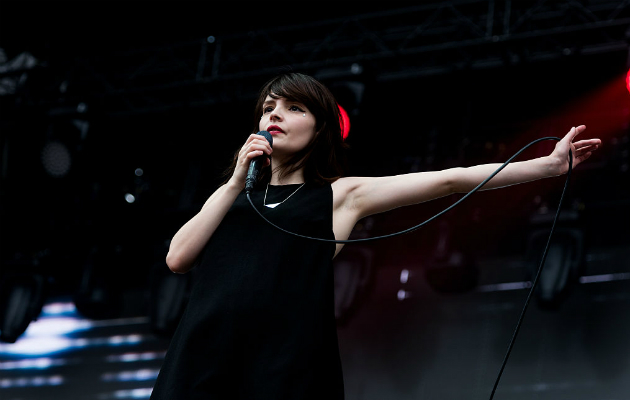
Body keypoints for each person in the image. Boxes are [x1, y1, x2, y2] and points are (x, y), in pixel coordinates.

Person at [150, 72, 601, 399]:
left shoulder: (340, 195)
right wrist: (234, 181)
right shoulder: (233, 194)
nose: (275, 115)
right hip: (201, 356)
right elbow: (177, 258)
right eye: (268, 107)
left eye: (294, 108)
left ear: (320, 128)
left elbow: (450, 180)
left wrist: (546, 166)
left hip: (282, 364)